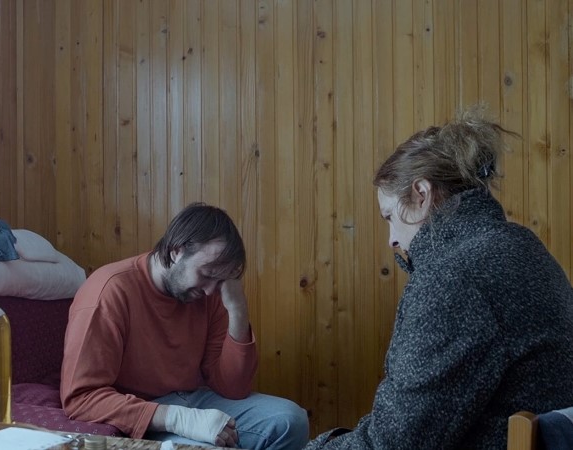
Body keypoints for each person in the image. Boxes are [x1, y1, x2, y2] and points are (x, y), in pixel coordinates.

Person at [304, 104, 573, 449]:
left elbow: (394, 443)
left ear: (421, 194)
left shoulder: (453, 279)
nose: (391, 240)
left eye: (389, 216)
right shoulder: (520, 243)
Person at [60, 202, 309, 449]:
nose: (210, 290)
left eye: (220, 280)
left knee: (291, 421)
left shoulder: (209, 294)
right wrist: (178, 419)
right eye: (207, 274)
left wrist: (237, 310)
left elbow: (234, 388)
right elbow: (81, 398)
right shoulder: (108, 292)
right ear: (175, 251)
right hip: (139, 411)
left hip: (193, 399)